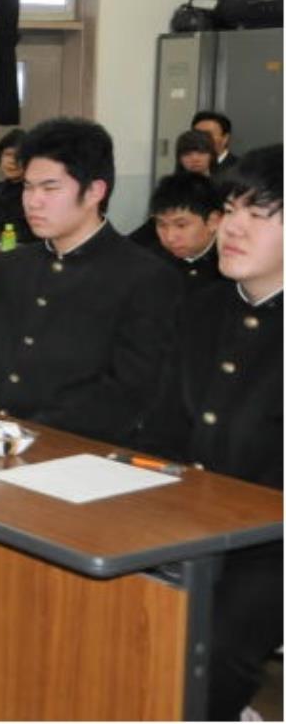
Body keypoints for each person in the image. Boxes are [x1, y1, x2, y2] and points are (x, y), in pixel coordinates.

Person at [138, 145, 281, 721]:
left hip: (271, 539)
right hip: (187, 514)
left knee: (211, 650)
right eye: (230, 210)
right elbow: (163, 424)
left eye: (259, 214)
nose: (233, 228)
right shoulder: (201, 306)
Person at [0, 118, 182, 447]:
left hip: (74, 447)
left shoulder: (145, 277)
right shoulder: (7, 267)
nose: (33, 201)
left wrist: (30, 434)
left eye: (50, 188)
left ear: (95, 191)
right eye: (28, 187)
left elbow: (129, 389)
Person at [128, 171, 222, 293]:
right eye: (162, 225)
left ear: (213, 221)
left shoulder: (233, 266)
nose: (170, 237)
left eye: (181, 225)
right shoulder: (150, 262)